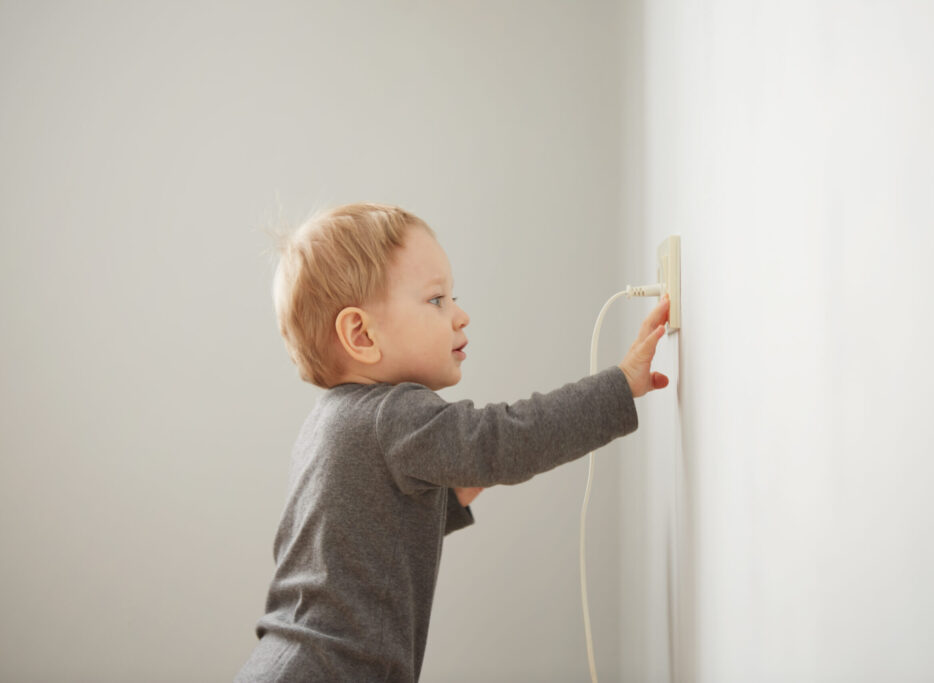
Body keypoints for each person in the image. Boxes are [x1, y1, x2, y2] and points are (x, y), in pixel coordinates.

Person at [235, 203, 670, 682]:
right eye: (437, 300)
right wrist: (620, 384)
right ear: (360, 334)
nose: (461, 315)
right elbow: (505, 440)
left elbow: (370, 536)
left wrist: (463, 484)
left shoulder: (328, 422)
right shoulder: (392, 414)